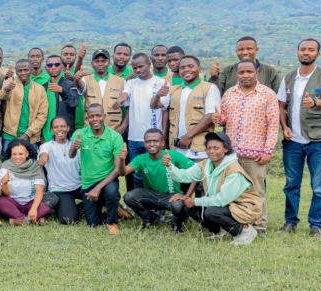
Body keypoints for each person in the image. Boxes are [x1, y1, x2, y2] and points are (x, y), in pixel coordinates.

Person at [277, 38, 321, 238]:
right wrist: (284, 127)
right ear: (297, 52)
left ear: (317, 54)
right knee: (291, 184)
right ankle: (290, 222)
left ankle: (316, 225)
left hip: (319, 140)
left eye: (311, 50)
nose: (306, 52)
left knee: (319, 186)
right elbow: (282, 106)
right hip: (292, 140)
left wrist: (315, 102)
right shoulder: (288, 77)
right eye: (303, 49)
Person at [214, 58, 280, 234]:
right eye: (241, 72)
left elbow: (273, 125)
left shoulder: (267, 95)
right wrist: (217, 119)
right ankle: (230, 225)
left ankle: (260, 226)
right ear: (236, 74)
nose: (245, 75)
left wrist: (267, 151)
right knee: (229, 190)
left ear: (256, 73)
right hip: (231, 154)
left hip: (256, 154)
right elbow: (223, 120)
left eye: (249, 72)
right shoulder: (229, 94)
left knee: (256, 190)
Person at [164, 131, 263, 245]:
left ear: (225, 149)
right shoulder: (206, 164)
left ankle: (245, 231)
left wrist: (195, 201)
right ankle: (221, 232)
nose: (211, 151)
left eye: (216, 148)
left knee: (211, 212)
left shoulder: (234, 169)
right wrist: (169, 166)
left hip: (245, 207)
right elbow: (185, 176)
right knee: (189, 208)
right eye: (209, 148)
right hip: (227, 205)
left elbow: (222, 200)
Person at [122, 129, 196, 232]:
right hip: (152, 195)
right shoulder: (141, 158)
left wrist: (186, 196)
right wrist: (122, 160)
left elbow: (197, 172)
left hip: (171, 196)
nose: (151, 144)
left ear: (162, 143)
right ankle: (150, 218)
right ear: (144, 143)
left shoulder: (173, 155)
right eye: (148, 141)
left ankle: (177, 224)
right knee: (129, 197)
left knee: (178, 205)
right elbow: (123, 172)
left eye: (155, 141)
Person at [70, 104, 126, 234]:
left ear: (104, 116)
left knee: (111, 192)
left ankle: (112, 221)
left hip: (108, 179)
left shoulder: (115, 137)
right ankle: (116, 210)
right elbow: (71, 155)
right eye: (91, 116)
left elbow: (118, 169)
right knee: (92, 223)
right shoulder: (80, 134)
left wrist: (98, 188)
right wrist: (74, 147)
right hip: (88, 182)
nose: (95, 119)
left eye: (98, 115)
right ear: (87, 118)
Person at [155, 55, 220, 162]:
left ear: (199, 69)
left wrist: (188, 136)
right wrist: (157, 95)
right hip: (177, 149)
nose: (186, 70)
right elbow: (155, 105)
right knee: (179, 177)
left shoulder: (209, 88)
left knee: (200, 177)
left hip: (200, 149)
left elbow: (209, 116)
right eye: (183, 67)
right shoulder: (174, 90)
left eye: (190, 66)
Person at [116, 53, 167, 190]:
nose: (138, 70)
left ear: (149, 64)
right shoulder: (131, 83)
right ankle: (139, 204)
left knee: (155, 172)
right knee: (137, 174)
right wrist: (120, 98)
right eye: (135, 68)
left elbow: (161, 107)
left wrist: (165, 136)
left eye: (140, 66)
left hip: (153, 138)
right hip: (134, 138)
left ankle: (158, 205)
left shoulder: (160, 83)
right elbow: (125, 94)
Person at [0, 59, 48, 158]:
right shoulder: (10, 82)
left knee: (30, 166)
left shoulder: (39, 89)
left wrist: (27, 134)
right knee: (8, 164)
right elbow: (2, 96)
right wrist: (8, 89)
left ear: (31, 70)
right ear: (16, 72)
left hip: (31, 137)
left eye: (26, 70)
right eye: (20, 71)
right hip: (10, 134)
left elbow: (42, 115)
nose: (23, 73)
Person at [38, 117, 83, 225]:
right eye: (56, 127)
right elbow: (44, 153)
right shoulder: (46, 146)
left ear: (68, 128)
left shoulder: (76, 145)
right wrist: (43, 157)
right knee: (68, 220)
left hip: (80, 186)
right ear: (52, 130)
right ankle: (72, 207)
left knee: (100, 196)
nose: (60, 129)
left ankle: (82, 206)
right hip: (60, 189)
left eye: (63, 126)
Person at [0, 138, 49, 225]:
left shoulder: (35, 166)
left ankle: (18, 220)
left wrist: (34, 209)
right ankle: (27, 219)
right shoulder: (5, 167)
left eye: (21, 154)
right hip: (13, 203)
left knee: (52, 198)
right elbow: (7, 194)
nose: (17, 157)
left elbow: (39, 190)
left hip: (31, 202)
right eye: (14, 154)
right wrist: (5, 183)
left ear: (27, 153)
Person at [75, 49, 126, 135]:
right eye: (97, 61)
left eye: (103, 61)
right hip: (91, 130)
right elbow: (80, 87)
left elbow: (127, 107)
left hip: (114, 130)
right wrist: (77, 79)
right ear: (92, 63)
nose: (100, 64)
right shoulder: (86, 80)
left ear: (109, 63)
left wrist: (123, 127)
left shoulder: (121, 81)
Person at [209, 36, 282, 95]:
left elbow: (278, 96)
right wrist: (214, 77)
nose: (245, 52)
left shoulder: (270, 72)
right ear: (236, 51)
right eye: (241, 49)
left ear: (256, 50)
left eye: (249, 49)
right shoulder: (228, 71)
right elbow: (216, 94)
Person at [41, 55, 80, 140]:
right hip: (46, 135)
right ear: (46, 68)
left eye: (57, 64)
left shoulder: (69, 85)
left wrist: (62, 91)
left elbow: (74, 102)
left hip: (64, 135)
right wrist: (40, 135)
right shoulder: (43, 87)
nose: (53, 67)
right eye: (50, 65)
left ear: (62, 67)